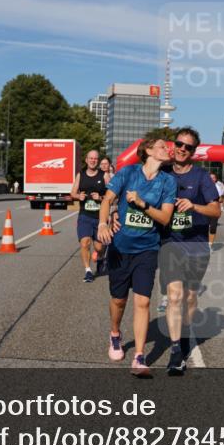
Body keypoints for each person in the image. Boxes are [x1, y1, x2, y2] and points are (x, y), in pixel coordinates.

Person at [97, 138, 176, 378]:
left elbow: (164, 218)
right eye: (163, 146)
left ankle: (139, 357)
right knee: (119, 301)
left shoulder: (168, 181)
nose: (168, 149)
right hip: (121, 247)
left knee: (142, 302)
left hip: (147, 249)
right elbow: (108, 199)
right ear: (149, 151)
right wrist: (103, 222)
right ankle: (114, 333)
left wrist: (142, 204)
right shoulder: (128, 172)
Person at [159, 128, 221, 375]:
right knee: (174, 296)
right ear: (173, 146)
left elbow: (216, 211)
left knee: (189, 297)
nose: (183, 149)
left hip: (196, 245)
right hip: (170, 244)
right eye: (179, 144)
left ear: (194, 152)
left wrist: (193, 205)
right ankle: (176, 350)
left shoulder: (201, 176)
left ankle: (184, 333)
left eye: (188, 146)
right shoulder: (163, 173)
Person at [72, 150, 107, 283]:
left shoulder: (104, 175)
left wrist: (101, 197)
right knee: (85, 242)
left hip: (100, 218)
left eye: (95, 159)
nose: (93, 160)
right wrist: (78, 196)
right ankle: (88, 271)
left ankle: (101, 258)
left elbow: (112, 196)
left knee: (99, 247)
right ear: (86, 160)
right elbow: (73, 193)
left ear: (97, 161)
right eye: (90, 158)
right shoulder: (80, 175)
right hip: (84, 216)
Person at [208, 172, 224, 251]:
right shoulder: (202, 186)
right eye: (210, 177)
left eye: (213, 178)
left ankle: (209, 245)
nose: (212, 179)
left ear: (216, 179)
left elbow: (221, 199)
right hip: (204, 208)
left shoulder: (219, 187)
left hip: (214, 209)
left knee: (213, 227)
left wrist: (221, 206)